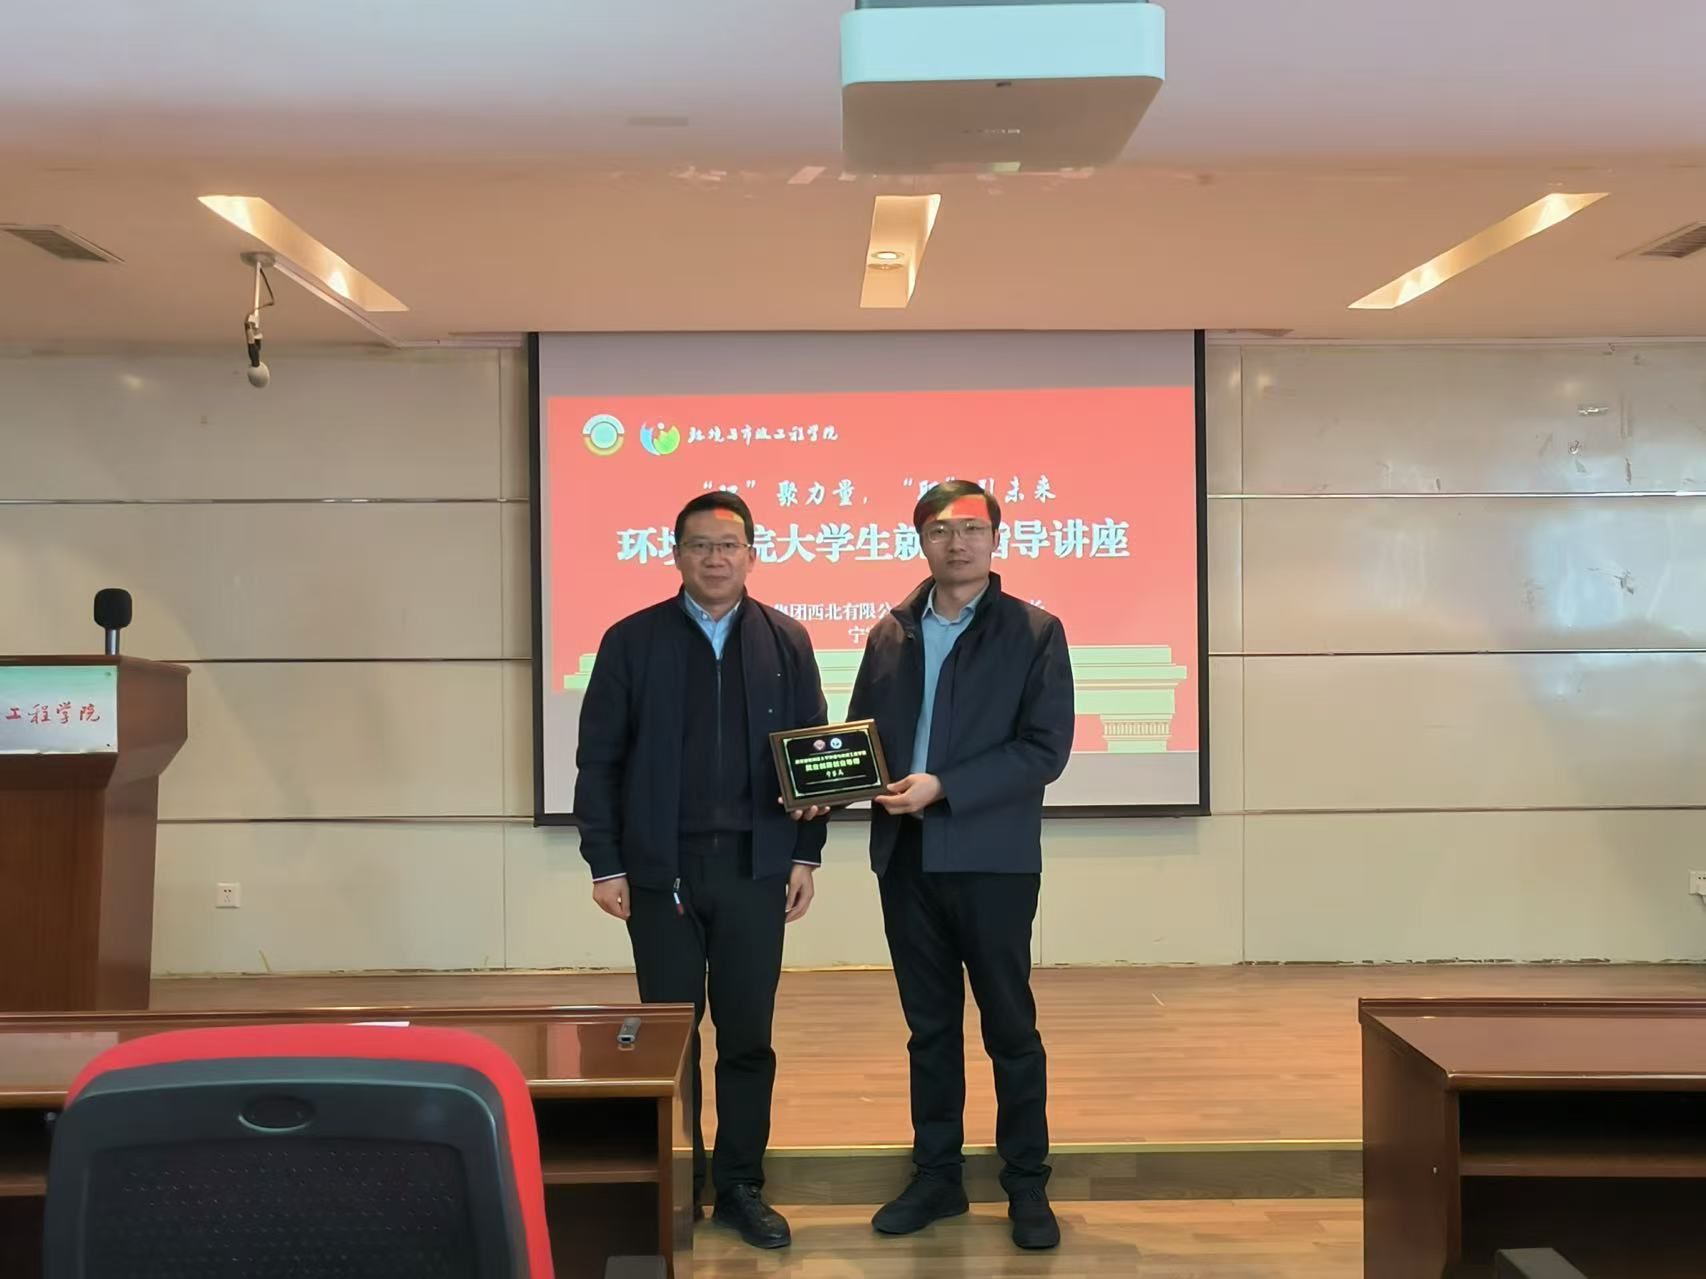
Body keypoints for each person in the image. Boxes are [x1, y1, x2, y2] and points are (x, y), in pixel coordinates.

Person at [574, 490, 830, 1250]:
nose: (715, 558)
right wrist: (606, 861)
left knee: (748, 1033)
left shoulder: (787, 640)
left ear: (753, 554)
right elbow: (599, 760)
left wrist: (806, 853)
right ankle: (676, 1181)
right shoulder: (632, 640)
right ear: (676, 554)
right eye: (700, 545)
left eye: (729, 545)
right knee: (671, 1035)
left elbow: (816, 754)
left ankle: (741, 1184)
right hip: (664, 872)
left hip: (757, 867)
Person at [848, 479, 1075, 1251]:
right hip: (905, 857)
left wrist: (944, 785)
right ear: (922, 540)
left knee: (1010, 1025)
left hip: (992, 859)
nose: (958, 542)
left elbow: (1044, 749)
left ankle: (1026, 1183)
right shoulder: (890, 631)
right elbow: (861, 738)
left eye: (972, 528)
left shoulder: (1034, 632)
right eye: (941, 529)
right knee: (930, 1029)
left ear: (994, 538)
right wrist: (825, 783)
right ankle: (938, 1175)